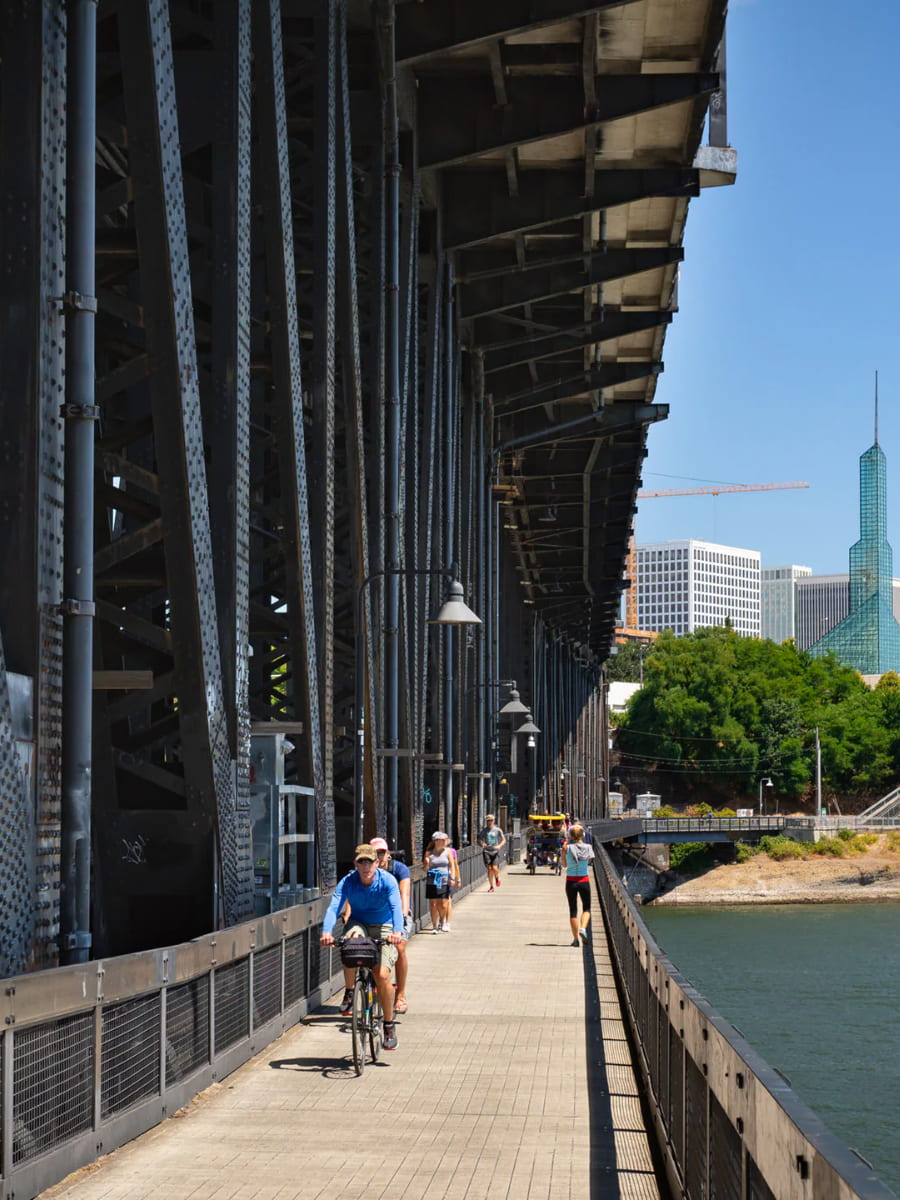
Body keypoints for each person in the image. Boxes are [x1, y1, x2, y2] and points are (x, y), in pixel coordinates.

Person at [320, 844, 405, 1050]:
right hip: (359, 922)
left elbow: (396, 907)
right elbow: (334, 906)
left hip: (384, 924)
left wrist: (397, 932)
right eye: (361, 862)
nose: (366, 866)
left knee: (382, 975)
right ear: (355, 864)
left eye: (369, 862)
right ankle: (350, 991)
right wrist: (326, 932)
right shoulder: (348, 881)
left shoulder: (388, 881)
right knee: (350, 943)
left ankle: (388, 1024)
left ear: (377, 863)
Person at [370, 836, 411, 1013]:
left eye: (381, 853)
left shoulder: (399, 869)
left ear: (388, 854)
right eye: (374, 854)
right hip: (375, 916)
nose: (378, 858)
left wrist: (400, 921)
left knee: (399, 946)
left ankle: (400, 994)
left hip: (397, 914)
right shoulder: (367, 870)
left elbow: (405, 895)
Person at [564, 824, 595, 946]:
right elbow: (591, 860)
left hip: (571, 881)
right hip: (584, 880)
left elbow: (564, 864)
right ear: (583, 835)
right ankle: (583, 928)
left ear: (570, 836)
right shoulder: (588, 847)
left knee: (573, 910)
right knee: (586, 908)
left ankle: (576, 940)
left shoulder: (567, 848)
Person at [423, 831, 459, 932]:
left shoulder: (447, 851)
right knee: (433, 904)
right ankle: (434, 926)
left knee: (443, 904)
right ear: (436, 841)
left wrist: (452, 878)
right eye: (442, 840)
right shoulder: (429, 853)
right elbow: (425, 869)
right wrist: (426, 864)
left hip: (443, 880)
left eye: (445, 840)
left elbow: (452, 866)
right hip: (432, 880)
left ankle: (442, 920)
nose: (444, 842)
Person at [477, 813, 506, 891]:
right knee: (489, 869)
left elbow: (504, 840)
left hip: (495, 851)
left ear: (494, 820)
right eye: (488, 820)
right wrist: (482, 843)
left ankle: (497, 878)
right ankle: (491, 886)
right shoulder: (484, 831)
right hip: (486, 851)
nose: (490, 822)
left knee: (495, 868)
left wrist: (499, 846)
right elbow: (479, 839)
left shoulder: (498, 830)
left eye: (491, 820)